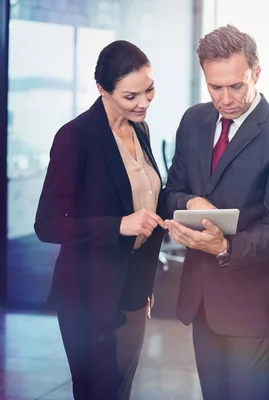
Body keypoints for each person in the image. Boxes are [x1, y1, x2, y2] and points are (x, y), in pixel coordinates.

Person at [163, 25, 269, 400]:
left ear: (256, 73)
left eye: (236, 85)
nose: (226, 98)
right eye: (215, 87)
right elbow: (171, 192)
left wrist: (223, 247)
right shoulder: (193, 121)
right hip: (202, 302)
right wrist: (189, 204)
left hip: (255, 307)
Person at [34, 40, 166, 399]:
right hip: (88, 296)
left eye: (149, 90)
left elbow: (148, 199)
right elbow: (47, 224)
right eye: (130, 95)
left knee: (120, 391)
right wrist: (118, 225)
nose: (143, 103)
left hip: (134, 290)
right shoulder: (75, 137)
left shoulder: (141, 129)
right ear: (102, 91)